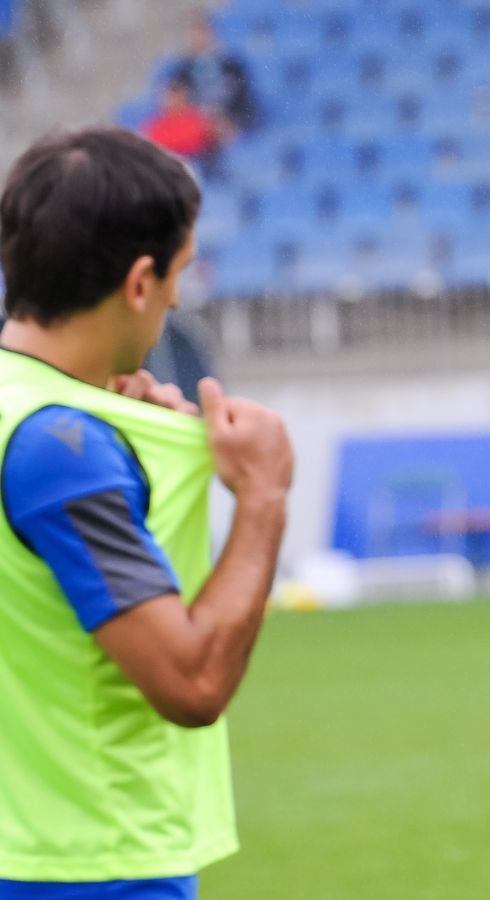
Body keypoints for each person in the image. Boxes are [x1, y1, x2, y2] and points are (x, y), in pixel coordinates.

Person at [0, 127, 292, 898]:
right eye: (178, 276)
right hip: (91, 861)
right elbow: (189, 682)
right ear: (138, 282)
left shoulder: (36, 416)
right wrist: (263, 497)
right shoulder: (62, 448)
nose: (172, 299)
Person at [165, 12, 258, 139]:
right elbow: (176, 108)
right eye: (194, 34)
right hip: (198, 131)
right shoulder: (182, 72)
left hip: (230, 127)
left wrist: (230, 119)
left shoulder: (233, 66)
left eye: (202, 32)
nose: (198, 38)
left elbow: (245, 102)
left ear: (213, 34)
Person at [143, 76, 218, 162]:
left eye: (177, 96)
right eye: (169, 97)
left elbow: (197, 143)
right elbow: (151, 147)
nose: (172, 101)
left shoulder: (199, 119)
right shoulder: (155, 124)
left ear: (185, 97)